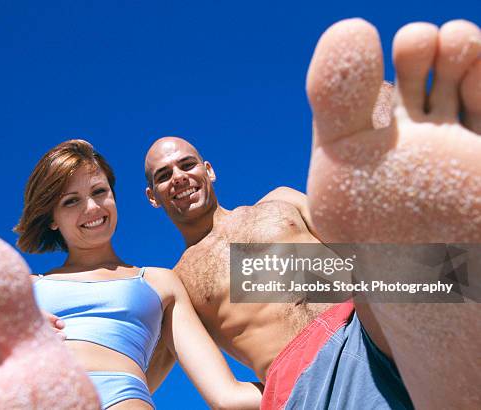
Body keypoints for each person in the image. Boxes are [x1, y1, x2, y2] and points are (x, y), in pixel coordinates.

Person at [143, 18, 480, 410]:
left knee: (369, 106)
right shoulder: (178, 278)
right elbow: (143, 372)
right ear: (153, 197)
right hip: (302, 375)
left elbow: (363, 253)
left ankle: (412, 182)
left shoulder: (280, 201)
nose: (179, 178)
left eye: (187, 165)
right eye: (164, 176)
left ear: (209, 170)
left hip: (369, 318)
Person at [14, 139, 262, 409]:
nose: (93, 208)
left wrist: (307, 377)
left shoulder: (161, 282)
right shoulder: (23, 288)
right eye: (71, 201)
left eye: (99, 191)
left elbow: (227, 397)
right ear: (51, 218)